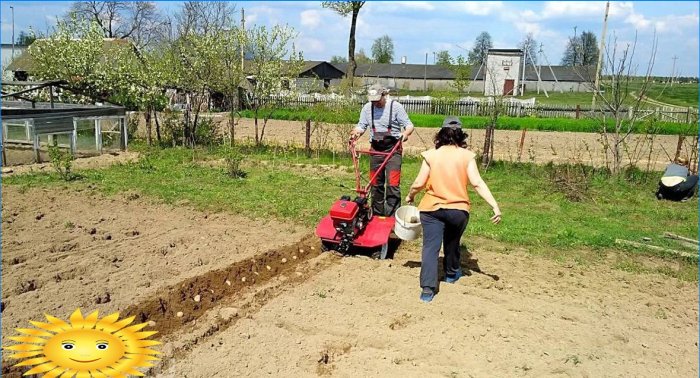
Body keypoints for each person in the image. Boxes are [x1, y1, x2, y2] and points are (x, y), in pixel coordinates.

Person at [405, 116, 501, 302]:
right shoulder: (467, 156)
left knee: (430, 248)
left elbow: (418, 183)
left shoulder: (431, 155)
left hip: (431, 209)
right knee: (452, 242)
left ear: (441, 133)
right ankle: (451, 274)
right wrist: (494, 205)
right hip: (458, 211)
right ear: (460, 135)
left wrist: (411, 196)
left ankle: (427, 289)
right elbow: (477, 183)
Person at [350, 84, 414, 217]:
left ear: (384, 95)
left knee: (393, 184)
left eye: (377, 99)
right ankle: (377, 216)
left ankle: (392, 218)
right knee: (375, 184)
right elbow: (361, 125)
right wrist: (356, 133)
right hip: (376, 150)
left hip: (393, 151)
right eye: (372, 100)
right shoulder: (367, 108)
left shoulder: (395, 107)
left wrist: (406, 134)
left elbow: (409, 125)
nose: (375, 103)